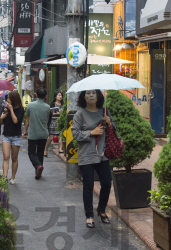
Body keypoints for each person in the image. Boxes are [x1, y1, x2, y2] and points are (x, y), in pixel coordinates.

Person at [72, 90, 117, 229]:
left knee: (107, 183)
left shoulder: (104, 112)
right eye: (88, 93)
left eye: (94, 93)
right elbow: (75, 134)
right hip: (86, 155)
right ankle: (89, 215)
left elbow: (115, 129)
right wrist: (91, 132)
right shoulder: (80, 114)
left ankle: (101, 209)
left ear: (98, 96)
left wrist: (110, 123)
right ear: (83, 97)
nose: (91, 95)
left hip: (102, 154)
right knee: (88, 186)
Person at [23, 88, 50, 180]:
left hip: (33, 133)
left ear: (36, 95)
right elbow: (46, 119)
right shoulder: (47, 107)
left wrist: (25, 130)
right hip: (43, 133)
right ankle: (38, 171)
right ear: (45, 96)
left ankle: (38, 167)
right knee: (40, 153)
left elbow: (27, 119)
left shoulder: (30, 105)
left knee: (31, 152)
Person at [0, 90, 24, 184]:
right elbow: (2, 122)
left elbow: (15, 121)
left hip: (16, 136)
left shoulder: (21, 110)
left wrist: (11, 110)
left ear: (13, 99)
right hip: (6, 135)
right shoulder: (6, 108)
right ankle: (5, 177)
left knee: (14, 158)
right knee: (6, 157)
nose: (7, 100)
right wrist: (1, 118)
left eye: (9, 98)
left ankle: (12, 177)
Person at [44, 90, 64, 157]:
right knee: (51, 137)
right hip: (53, 122)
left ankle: (60, 149)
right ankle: (46, 149)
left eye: (61, 95)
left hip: (60, 122)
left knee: (61, 135)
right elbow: (50, 114)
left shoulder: (63, 104)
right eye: (58, 95)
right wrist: (57, 113)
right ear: (55, 96)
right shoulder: (53, 104)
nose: (60, 96)